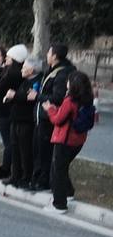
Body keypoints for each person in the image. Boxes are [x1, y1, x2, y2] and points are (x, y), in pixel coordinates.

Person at [43, 70, 95, 214]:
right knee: (63, 167)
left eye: (68, 81)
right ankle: (68, 192)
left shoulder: (69, 100)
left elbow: (58, 120)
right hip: (78, 140)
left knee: (57, 171)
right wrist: (57, 110)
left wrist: (50, 110)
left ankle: (59, 204)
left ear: (72, 85)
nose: (66, 83)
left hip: (64, 139)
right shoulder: (87, 99)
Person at [33, 44, 75, 192]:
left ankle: (45, 182)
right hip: (42, 117)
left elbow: (57, 97)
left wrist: (37, 96)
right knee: (39, 151)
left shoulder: (62, 74)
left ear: (55, 56)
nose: (47, 55)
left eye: (49, 52)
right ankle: (39, 179)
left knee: (46, 152)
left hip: (49, 119)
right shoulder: (51, 70)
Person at [0, 44, 27, 180]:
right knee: (9, 142)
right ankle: (9, 168)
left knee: (9, 143)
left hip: (6, 110)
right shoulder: (9, 70)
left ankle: (6, 169)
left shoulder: (13, 73)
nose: (6, 59)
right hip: (6, 109)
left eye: (8, 57)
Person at [4, 56, 42, 189]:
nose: (21, 70)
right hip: (16, 119)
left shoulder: (36, 82)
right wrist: (10, 98)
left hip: (26, 121)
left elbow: (29, 98)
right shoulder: (24, 81)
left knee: (25, 151)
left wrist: (14, 95)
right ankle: (15, 175)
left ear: (31, 70)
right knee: (15, 148)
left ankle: (26, 177)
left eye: (24, 67)